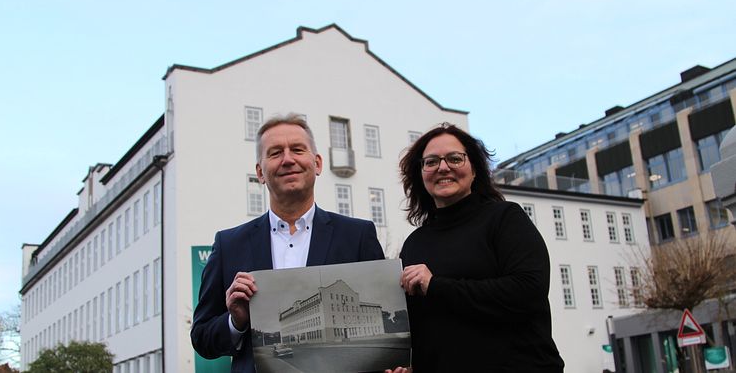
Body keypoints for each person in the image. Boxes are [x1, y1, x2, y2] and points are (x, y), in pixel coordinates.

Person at [191, 113, 385, 373]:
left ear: (316, 163)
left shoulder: (358, 235)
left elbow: (383, 314)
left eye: (297, 149)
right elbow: (202, 338)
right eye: (275, 153)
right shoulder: (229, 244)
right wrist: (236, 321)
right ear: (260, 172)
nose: (288, 159)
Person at [388, 123, 564, 373]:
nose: (443, 167)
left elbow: (528, 291)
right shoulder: (415, 243)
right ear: (421, 174)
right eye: (431, 162)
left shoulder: (505, 218)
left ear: (474, 170)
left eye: (454, 158)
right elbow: (420, 324)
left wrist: (435, 285)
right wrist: (409, 364)